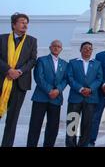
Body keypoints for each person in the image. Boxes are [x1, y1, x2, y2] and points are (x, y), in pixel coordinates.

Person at [0, 13, 38, 147]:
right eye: (22, 22)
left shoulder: (31, 41)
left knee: (12, 118)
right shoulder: (2, 38)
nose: (25, 25)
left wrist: (19, 71)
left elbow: (32, 60)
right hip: (2, 81)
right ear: (13, 24)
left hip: (19, 84)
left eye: (26, 22)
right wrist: (8, 70)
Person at [27, 40, 68, 147]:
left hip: (56, 99)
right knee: (35, 125)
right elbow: (39, 77)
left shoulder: (64, 64)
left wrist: (58, 90)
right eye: (54, 46)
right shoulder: (42, 60)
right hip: (41, 97)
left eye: (58, 46)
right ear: (50, 48)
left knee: (53, 127)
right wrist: (49, 90)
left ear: (61, 49)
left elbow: (65, 79)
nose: (56, 48)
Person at [66, 42, 103, 147]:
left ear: (92, 51)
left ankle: (83, 145)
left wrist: (90, 89)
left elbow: (99, 79)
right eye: (85, 48)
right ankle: (70, 145)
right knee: (72, 124)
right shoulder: (73, 63)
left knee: (87, 125)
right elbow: (70, 78)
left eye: (90, 49)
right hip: (75, 97)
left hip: (91, 98)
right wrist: (81, 89)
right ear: (80, 50)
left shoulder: (97, 63)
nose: (87, 50)